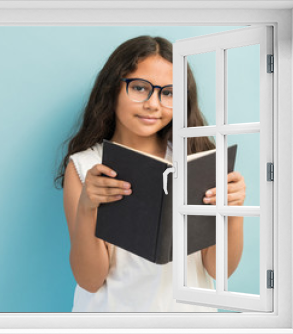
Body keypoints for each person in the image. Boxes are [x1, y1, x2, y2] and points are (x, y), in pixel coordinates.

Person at [54, 36, 246, 312]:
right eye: (140, 88)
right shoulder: (86, 167)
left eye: (168, 93)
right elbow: (90, 280)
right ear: (112, 89)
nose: (153, 104)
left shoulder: (197, 159)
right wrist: (87, 207)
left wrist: (234, 212)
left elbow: (219, 269)